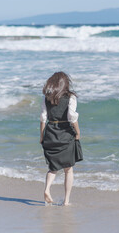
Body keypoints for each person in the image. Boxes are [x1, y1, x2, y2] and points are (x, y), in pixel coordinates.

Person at [40, 71, 83, 206]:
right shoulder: (70, 97)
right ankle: (66, 201)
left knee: (53, 168)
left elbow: (43, 118)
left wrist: (42, 136)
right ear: (66, 83)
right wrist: (78, 132)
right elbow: (72, 117)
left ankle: (47, 189)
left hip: (50, 132)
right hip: (65, 133)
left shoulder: (47, 98)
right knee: (68, 169)